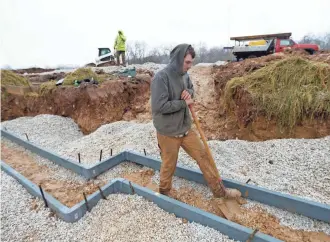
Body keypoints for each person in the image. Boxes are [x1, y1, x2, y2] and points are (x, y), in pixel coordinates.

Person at [151, 44, 241, 199]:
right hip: (168, 132)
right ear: (177, 60)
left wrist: (189, 93)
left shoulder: (185, 75)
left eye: (191, 62)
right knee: (168, 165)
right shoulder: (161, 77)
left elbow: (191, 90)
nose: (189, 66)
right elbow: (159, 107)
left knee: (203, 156)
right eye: (187, 62)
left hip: (185, 128)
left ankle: (220, 192)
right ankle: (164, 193)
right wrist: (183, 103)